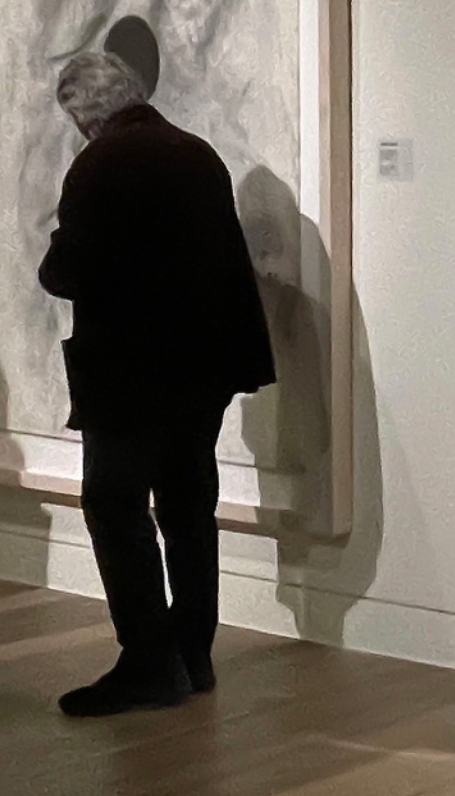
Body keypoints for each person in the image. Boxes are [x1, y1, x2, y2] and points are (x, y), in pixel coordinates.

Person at [38, 51, 276, 716]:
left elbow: (67, 271)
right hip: (204, 370)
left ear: (84, 113)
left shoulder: (100, 164)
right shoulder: (197, 154)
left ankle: (148, 661)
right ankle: (193, 653)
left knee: (114, 504)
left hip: (131, 373)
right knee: (187, 506)